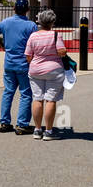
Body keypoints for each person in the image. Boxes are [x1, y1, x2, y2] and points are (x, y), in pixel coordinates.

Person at [0, 0, 35, 135]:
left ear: (14, 9)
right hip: (24, 64)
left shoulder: (6, 22)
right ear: (27, 10)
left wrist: (0, 45)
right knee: (26, 94)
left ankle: (5, 122)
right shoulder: (31, 25)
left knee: (8, 92)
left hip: (9, 63)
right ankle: (22, 124)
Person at [24, 8, 68, 140]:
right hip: (54, 70)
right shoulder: (56, 35)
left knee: (37, 98)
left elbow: (28, 56)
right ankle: (48, 131)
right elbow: (62, 52)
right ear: (52, 22)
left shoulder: (33, 36)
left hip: (35, 70)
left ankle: (37, 130)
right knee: (50, 100)